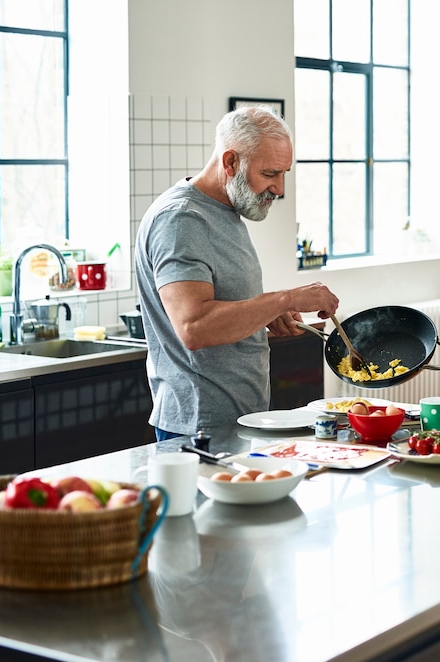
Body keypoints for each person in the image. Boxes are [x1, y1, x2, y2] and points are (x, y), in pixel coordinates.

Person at [136, 106, 339, 441]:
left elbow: (222, 310)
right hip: (201, 425)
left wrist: (268, 314)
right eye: (270, 173)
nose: (279, 188)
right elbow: (194, 327)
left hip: (241, 417)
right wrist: (286, 297)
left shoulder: (226, 209)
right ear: (230, 162)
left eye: (284, 173)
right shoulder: (182, 220)